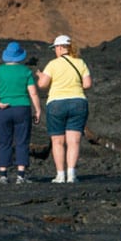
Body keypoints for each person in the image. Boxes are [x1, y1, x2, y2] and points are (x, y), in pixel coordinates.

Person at [36, 35, 92, 184]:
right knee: (74, 141)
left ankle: (60, 175)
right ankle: (72, 174)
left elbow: (42, 85)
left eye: (55, 48)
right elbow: (87, 84)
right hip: (78, 102)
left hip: (56, 103)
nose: (55, 50)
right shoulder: (80, 62)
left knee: (57, 141)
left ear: (60, 48)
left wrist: (41, 76)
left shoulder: (52, 64)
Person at [0, 41, 41, 184]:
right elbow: (33, 93)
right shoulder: (26, 71)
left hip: (4, 109)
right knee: (22, 141)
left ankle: (3, 174)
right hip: (22, 108)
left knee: (4, 141)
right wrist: (38, 110)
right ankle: (20, 175)